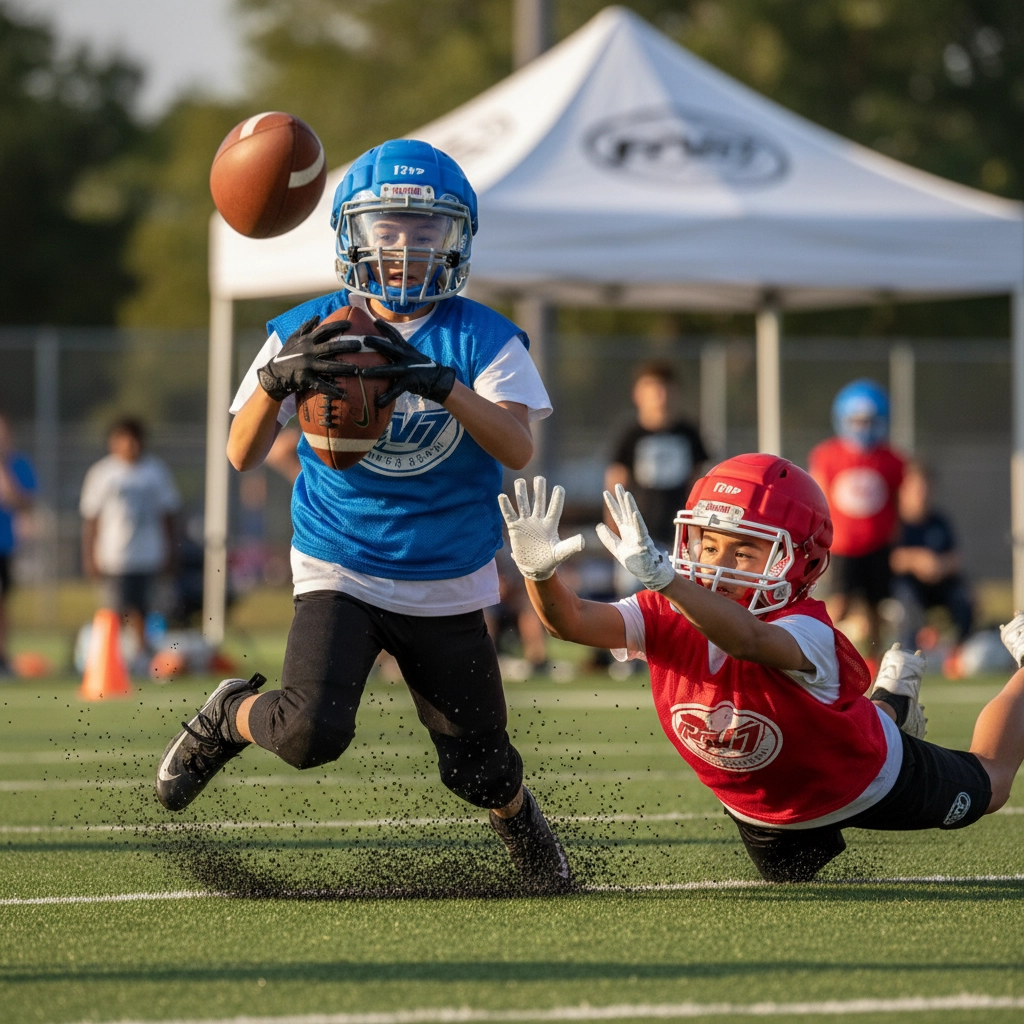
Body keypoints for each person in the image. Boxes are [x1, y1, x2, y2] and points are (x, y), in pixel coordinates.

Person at [155, 139, 572, 893]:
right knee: (311, 732)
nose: (405, 250)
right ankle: (230, 714)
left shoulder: (481, 335)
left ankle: (518, 819)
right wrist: (278, 382)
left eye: (425, 233)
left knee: (478, 767)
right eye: (387, 230)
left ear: (456, 240)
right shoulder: (309, 326)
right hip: (339, 558)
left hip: (447, 570)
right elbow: (242, 453)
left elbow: (516, 446)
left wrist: (444, 384)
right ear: (353, 235)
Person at [498, 455, 1024, 883]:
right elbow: (571, 622)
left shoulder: (807, 627)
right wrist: (538, 572)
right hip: (763, 807)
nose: (717, 563)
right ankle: (892, 704)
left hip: (863, 777)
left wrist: (667, 583)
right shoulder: (667, 607)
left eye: (745, 552)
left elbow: (747, 638)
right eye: (709, 542)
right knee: (791, 877)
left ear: (803, 562)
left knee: (993, 786)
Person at [809, 380, 905, 663]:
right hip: (843, 547)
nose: (863, 427)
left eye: (870, 421)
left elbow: (898, 502)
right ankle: (820, 652)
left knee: (877, 606)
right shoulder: (827, 455)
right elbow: (819, 497)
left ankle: (874, 661)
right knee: (839, 603)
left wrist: (895, 537)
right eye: (857, 420)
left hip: (877, 545)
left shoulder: (891, 459)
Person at [80, 417, 180, 663]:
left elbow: (168, 514)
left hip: (147, 554)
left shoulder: (155, 471)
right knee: (113, 610)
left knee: (142, 611)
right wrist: (89, 555)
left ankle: (140, 655)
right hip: (114, 555)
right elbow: (91, 518)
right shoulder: (103, 473)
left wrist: (170, 551)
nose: (130, 444)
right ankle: (108, 658)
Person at [605, 360, 707, 560]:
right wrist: (614, 529)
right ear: (638, 394)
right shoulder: (630, 434)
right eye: (653, 389)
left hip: (679, 536)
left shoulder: (689, 433)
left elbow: (699, 480)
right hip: (638, 537)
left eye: (666, 389)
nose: (661, 397)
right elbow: (616, 482)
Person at [889, 461, 973, 652]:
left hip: (939, 584)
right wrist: (916, 560)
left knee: (962, 597)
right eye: (917, 488)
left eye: (926, 488)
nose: (922, 494)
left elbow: (955, 557)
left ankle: (961, 651)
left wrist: (940, 565)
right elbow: (888, 559)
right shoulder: (893, 523)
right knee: (907, 599)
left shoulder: (939, 521)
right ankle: (907, 652)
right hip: (906, 585)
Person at [0, 413, 36, 676]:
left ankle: (2, 655)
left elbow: (26, 502)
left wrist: (5, 478)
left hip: (4, 545)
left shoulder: (18, 465)